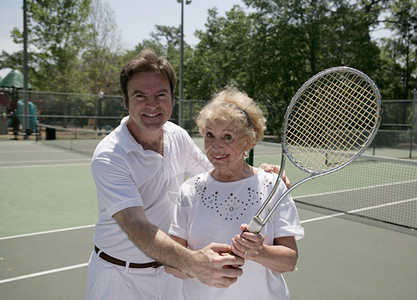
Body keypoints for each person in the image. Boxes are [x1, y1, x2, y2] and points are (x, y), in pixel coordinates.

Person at [85, 49, 287, 300]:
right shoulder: (110, 155)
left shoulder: (176, 135)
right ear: (125, 100)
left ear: (172, 98)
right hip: (120, 277)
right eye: (140, 95)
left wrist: (257, 172)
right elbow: (137, 225)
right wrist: (192, 262)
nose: (151, 104)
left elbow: (216, 170)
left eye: (161, 94)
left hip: (171, 274)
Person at [167, 87, 304, 299]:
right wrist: (196, 264)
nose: (215, 146)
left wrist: (259, 251)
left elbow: (289, 260)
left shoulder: (272, 185)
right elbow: (171, 264)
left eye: (227, 137)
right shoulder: (190, 189)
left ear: (248, 141)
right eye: (210, 135)